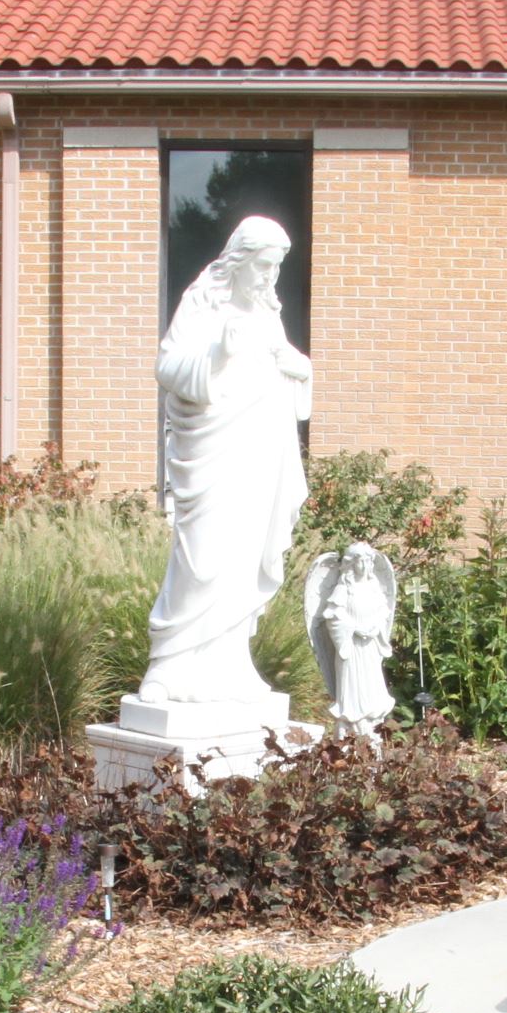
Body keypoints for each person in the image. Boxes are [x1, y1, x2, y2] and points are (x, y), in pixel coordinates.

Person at [140, 215, 313, 706]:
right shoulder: (203, 303)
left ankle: (231, 665)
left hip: (260, 455)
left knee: (243, 558)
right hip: (212, 454)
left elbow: (287, 369)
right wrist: (217, 354)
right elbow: (167, 366)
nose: (269, 278)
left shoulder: (268, 315)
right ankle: (168, 667)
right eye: (262, 266)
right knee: (202, 558)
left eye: (276, 268)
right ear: (238, 261)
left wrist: (302, 370)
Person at [318, 542, 396, 738]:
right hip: (351, 647)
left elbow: (383, 612)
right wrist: (353, 628)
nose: (365, 565)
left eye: (368, 561)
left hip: (370, 646)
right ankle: (351, 733)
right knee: (353, 689)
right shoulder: (344, 588)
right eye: (360, 561)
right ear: (351, 564)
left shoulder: (374, 587)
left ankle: (372, 730)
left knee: (371, 688)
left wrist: (375, 627)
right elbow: (333, 617)